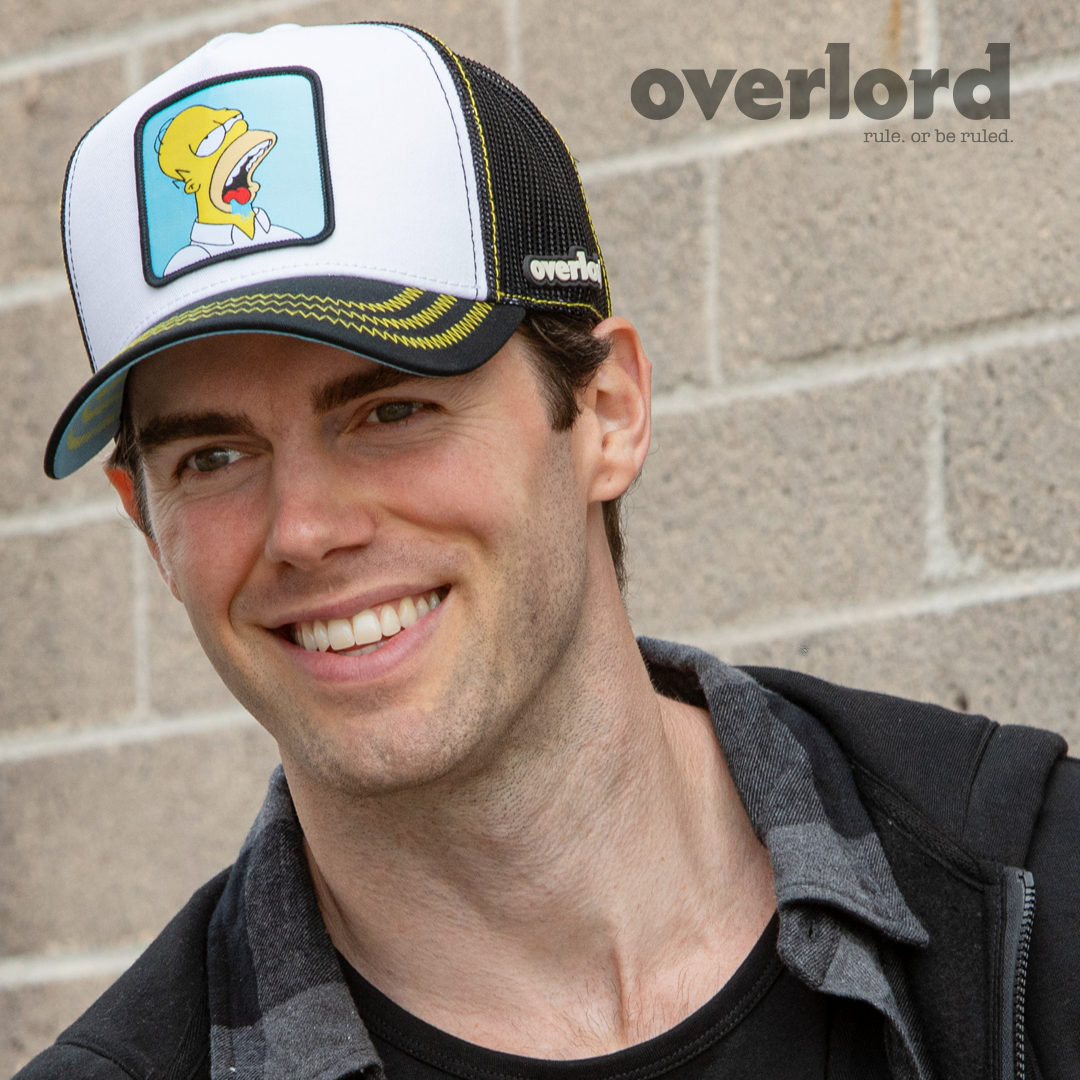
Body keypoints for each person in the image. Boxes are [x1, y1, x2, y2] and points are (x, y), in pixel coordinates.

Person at [20, 22, 1079, 1080]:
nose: (304, 529)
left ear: (608, 411)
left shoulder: (1029, 891)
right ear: (146, 522)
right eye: (212, 456)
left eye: (391, 412)